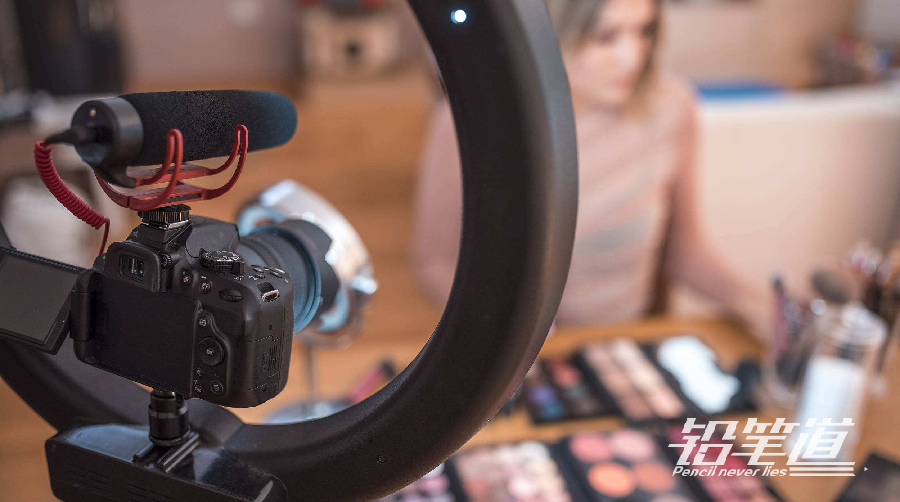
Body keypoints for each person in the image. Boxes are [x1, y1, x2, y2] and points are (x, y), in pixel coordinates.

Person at [412, 0, 768, 335]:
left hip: (621, 344)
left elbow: (684, 253)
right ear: (548, 32)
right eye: (605, 37)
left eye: (644, 30)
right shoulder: (467, 121)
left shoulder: (672, 107)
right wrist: (514, 329)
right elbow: (435, 263)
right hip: (522, 357)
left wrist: (755, 303)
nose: (633, 58)